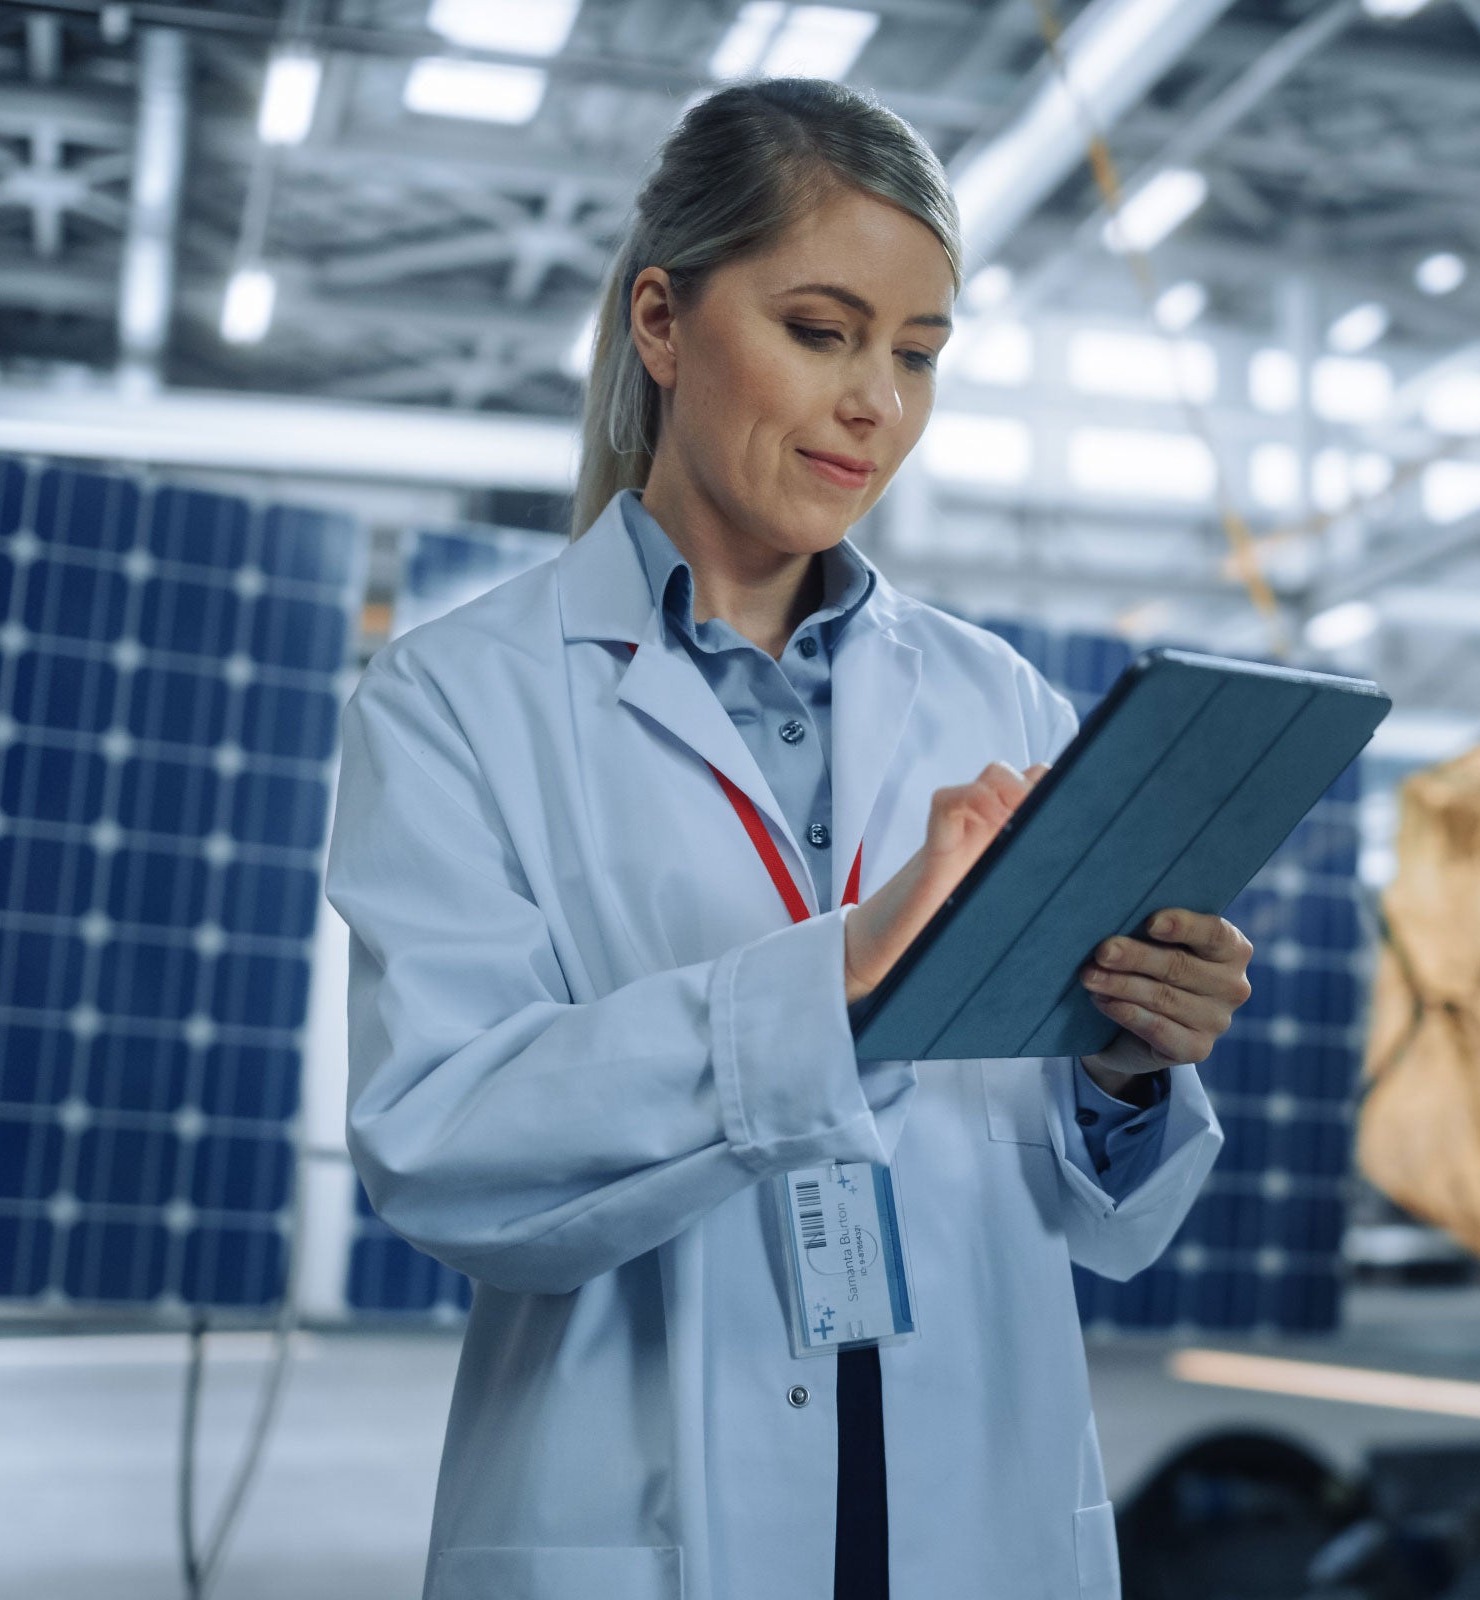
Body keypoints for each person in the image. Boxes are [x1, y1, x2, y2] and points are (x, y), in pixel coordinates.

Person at [323, 79, 1247, 1600]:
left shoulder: (996, 700)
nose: (876, 399)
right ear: (663, 324)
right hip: (643, 1519)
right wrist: (840, 977)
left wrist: (1130, 1063)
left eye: (917, 353)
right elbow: (444, 1150)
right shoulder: (456, 699)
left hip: (977, 1516)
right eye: (822, 331)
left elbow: (1101, 1220)